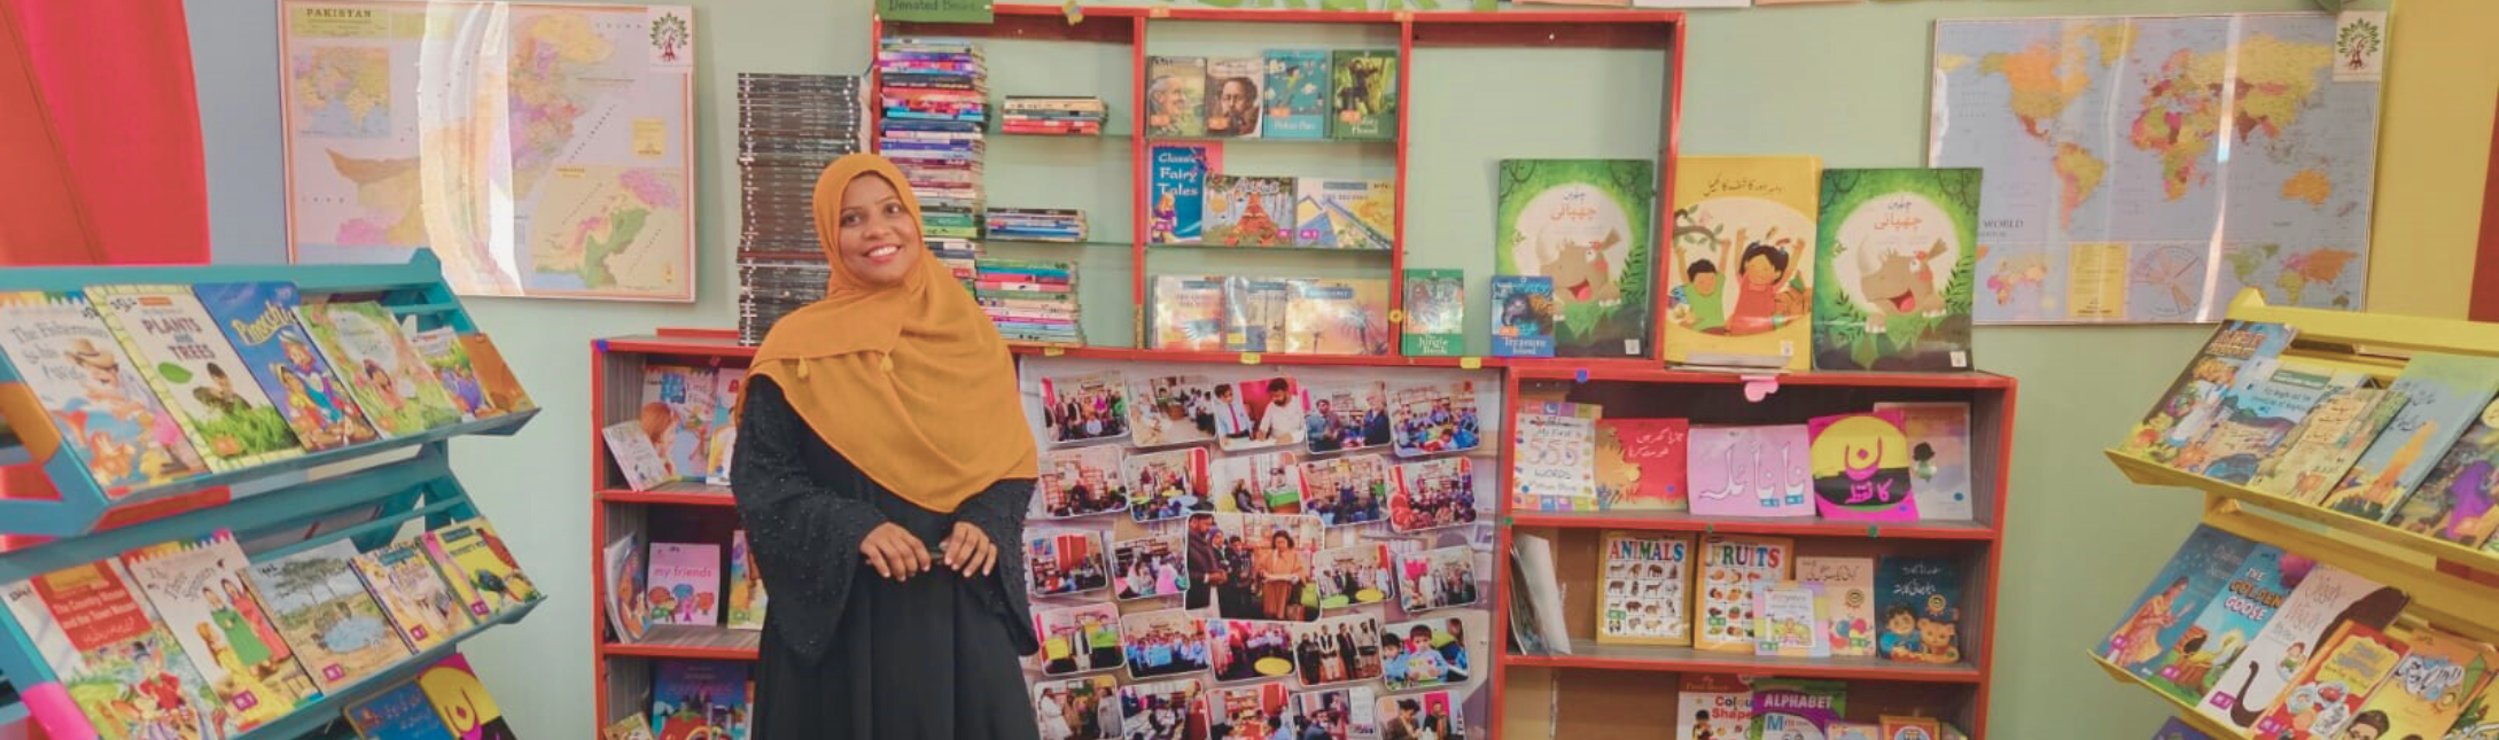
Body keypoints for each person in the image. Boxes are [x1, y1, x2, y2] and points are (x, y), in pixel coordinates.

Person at [731, 154, 1043, 739]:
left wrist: (985, 519)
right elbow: (762, 480)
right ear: (830, 235)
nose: (878, 230)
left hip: (955, 615)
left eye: (892, 210)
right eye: (852, 219)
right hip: (843, 622)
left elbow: (1010, 464)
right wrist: (855, 527)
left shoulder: (972, 339)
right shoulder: (795, 349)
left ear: (914, 220)